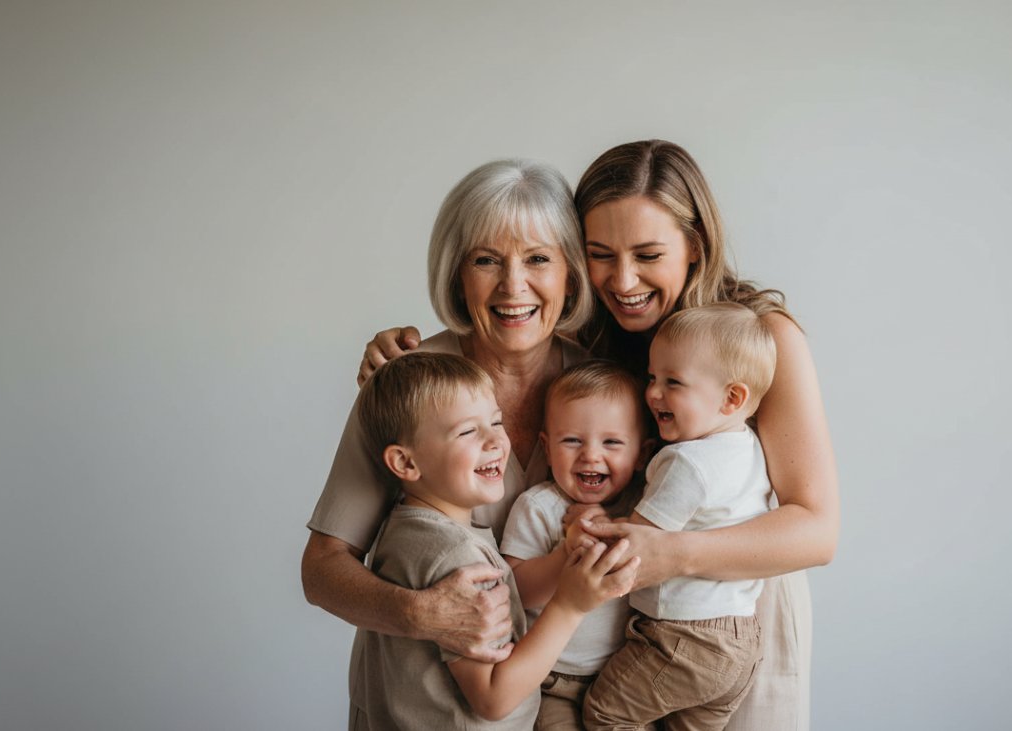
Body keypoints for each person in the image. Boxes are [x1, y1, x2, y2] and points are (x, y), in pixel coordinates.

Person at [359, 139, 839, 731]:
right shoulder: (592, 341)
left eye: (647, 253)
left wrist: (667, 553)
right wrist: (398, 355)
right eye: (600, 254)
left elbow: (817, 530)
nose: (623, 278)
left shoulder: (760, 339)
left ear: (695, 245)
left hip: (733, 616)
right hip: (622, 634)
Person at [301, 158, 611, 729]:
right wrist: (420, 612)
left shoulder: (605, 387)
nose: (513, 285)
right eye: (486, 260)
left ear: (570, 273)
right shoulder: (407, 382)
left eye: (538, 258)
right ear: (456, 276)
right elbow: (321, 569)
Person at [352, 351, 636, 729]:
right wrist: (570, 605)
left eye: (495, 422)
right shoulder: (457, 559)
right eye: (468, 431)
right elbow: (493, 698)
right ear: (406, 463)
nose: (496, 441)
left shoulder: (406, 531)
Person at [583, 303, 777, 730]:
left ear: (732, 397)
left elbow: (636, 545)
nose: (652, 393)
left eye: (673, 382)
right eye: (652, 378)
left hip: (684, 638)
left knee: (604, 714)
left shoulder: (687, 463)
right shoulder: (747, 448)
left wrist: (588, 524)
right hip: (742, 638)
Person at [498, 360, 655, 730]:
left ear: (643, 454)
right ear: (547, 447)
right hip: (553, 679)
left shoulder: (644, 510)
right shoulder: (539, 507)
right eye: (572, 440)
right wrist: (566, 555)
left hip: (625, 674)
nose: (591, 455)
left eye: (612, 442)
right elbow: (514, 589)